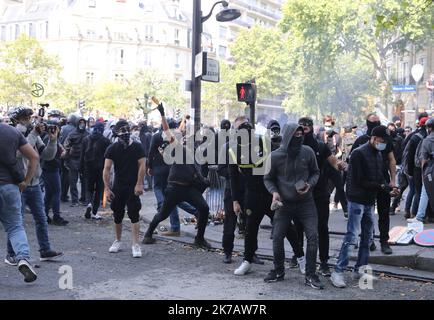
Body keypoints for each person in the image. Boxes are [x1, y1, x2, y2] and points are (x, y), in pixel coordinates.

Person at [331, 126, 398, 288]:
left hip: (369, 200)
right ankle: (338, 271)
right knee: (352, 236)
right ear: (374, 138)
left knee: (367, 237)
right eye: (381, 141)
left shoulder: (377, 153)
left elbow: (379, 175)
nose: (383, 145)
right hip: (356, 199)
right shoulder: (359, 153)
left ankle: (359, 268)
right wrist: (382, 188)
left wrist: (389, 187)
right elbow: (360, 180)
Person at [264, 123, 324, 289]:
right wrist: (274, 192)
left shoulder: (308, 152)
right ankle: (278, 271)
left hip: (306, 202)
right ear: (288, 135)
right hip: (284, 203)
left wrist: (309, 185)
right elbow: (267, 178)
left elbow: (315, 172)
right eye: (296, 134)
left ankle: (311, 274)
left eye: (301, 134)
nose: (299, 137)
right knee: (277, 237)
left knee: (313, 237)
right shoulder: (275, 156)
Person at [142, 104, 211, 249]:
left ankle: (199, 239)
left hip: (188, 188)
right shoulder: (177, 147)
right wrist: (162, 114)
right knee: (162, 214)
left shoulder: (192, 151)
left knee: (204, 208)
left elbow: (196, 170)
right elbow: (167, 130)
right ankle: (148, 234)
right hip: (175, 188)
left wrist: (203, 180)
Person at [6, 106, 63, 264]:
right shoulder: (13, 133)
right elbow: (20, 154)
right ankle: (11, 254)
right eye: (25, 117)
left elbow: (47, 156)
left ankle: (45, 250)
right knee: (16, 221)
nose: (29, 120)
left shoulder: (33, 134)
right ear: (15, 119)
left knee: (42, 219)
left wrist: (53, 140)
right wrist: (33, 133)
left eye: (30, 117)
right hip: (19, 184)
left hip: (35, 183)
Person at [297, 117, 346, 277]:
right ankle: (299, 257)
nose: (303, 129)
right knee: (298, 227)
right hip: (298, 194)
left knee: (322, 228)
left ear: (311, 128)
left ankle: (323, 262)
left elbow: (333, 161)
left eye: (306, 126)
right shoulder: (293, 145)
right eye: (301, 127)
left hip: (319, 193)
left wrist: (341, 165)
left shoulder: (320, 146)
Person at [227, 116, 271, 276]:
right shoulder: (233, 150)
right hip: (251, 194)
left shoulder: (264, 143)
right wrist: (235, 200)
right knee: (250, 229)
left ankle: (300, 258)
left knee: (284, 227)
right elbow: (232, 176)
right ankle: (247, 260)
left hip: (270, 193)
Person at [350, 113, 396, 255]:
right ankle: (368, 240)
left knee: (383, 213)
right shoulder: (361, 142)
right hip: (366, 185)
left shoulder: (385, 140)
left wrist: (392, 181)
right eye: (373, 122)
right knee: (366, 214)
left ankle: (384, 241)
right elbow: (352, 165)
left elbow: (391, 160)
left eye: (378, 122)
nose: (376, 124)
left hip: (382, 181)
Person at [0, 117, 39, 282]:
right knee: (15, 227)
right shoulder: (12, 131)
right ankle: (23, 258)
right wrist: (25, 181)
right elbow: (34, 157)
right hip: (10, 186)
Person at [103, 120, 146, 258]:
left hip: (133, 185)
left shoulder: (138, 147)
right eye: (122, 130)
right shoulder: (112, 148)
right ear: (116, 132)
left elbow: (142, 166)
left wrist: (139, 183)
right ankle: (118, 240)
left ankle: (135, 244)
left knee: (134, 213)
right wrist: (107, 188)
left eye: (127, 129)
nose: (125, 133)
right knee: (117, 214)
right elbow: (107, 169)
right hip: (118, 185)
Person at [80, 121, 110, 220]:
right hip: (101, 169)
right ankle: (94, 212)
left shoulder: (86, 139)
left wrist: (81, 168)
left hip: (88, 168)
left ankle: (89, 203)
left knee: (89, 188)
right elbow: (108, 156)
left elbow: (82, 155)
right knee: (98, 191)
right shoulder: (105, 141)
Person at [42, 120, 69, 226]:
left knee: (49, 192)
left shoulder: (53, 138)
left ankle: (45, 215)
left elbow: (60, 149)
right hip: (50, 169)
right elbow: (48, 154)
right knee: (56, 192)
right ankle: (56, 216)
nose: (55, 130)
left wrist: (64, 151)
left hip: (51, 168)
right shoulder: (48, 138)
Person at [408, 118, 434, 223]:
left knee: (425, 192)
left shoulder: (427, 140)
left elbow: (423, 159)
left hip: (431, 169)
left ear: (429, 128)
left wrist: (423, 173)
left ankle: (419, 216)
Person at [63, 117, 89, 207]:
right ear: (77, 123)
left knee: (85, 181)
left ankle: (84, 199)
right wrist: (69, 150)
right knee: (73, 181)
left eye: (83, 122)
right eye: (80, 122)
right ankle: (75, 200)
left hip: (84, 160)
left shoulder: (88, 134)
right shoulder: (72, 134)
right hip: (74, 159)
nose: (82, 124)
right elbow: (66, 144)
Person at [59, 113, 77, 202]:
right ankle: (63, 195)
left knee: (61, 175)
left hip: (60, 154)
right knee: (67, 176)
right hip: (70, 155)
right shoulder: (75, 129)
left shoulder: (62, 128)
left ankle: (61, 194)